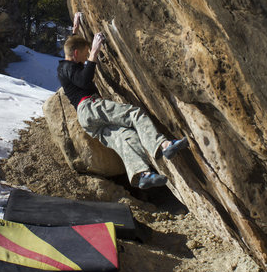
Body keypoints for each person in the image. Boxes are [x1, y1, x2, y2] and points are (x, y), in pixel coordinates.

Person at [57, 13, 189, 190]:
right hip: (90, 107)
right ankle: (163, 145)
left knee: (127, 137)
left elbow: (72, 46)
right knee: (134, 114)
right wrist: (95, 51)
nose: (87, 55)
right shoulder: (66, 67)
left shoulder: (68, 64)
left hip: (90, 122)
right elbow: (83, 80)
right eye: (84, 53)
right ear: (75, 54)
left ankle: (142, 175)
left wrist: (75, 28)